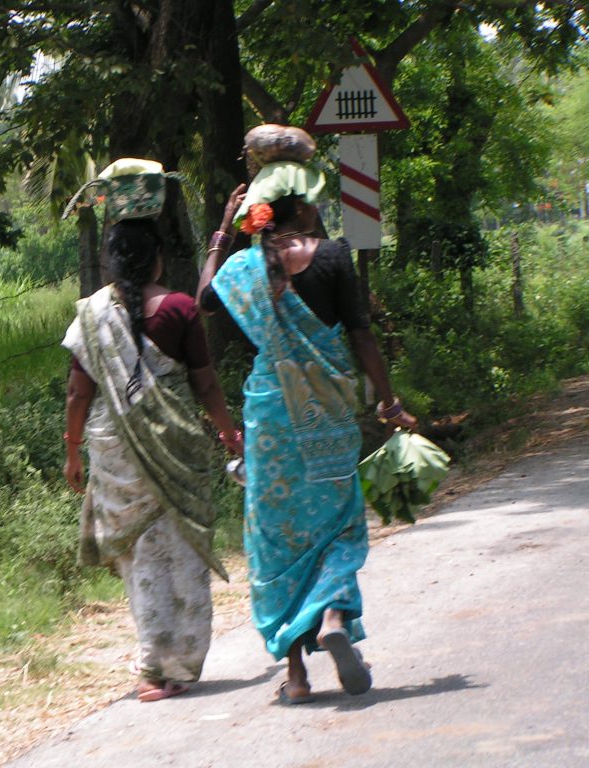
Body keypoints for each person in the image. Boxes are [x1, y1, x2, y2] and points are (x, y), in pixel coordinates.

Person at [195, 145, 417, 705]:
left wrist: (223, 231)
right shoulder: (335, 256)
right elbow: (362, 334)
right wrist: (388, 401)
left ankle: (295, 677)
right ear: (308, 207)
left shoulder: (246, 269)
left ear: (262, 212)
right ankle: (335, 617)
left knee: (275, 541)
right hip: (327, 413)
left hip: (271, 418)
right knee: (339, 526)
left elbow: (203, 299)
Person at [62, 217, 243, 703]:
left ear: (111, 261)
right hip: (176, 443)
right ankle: (180, 666)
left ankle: (151, 668)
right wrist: (228, 433)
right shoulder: (181, 308)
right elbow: (205, 384)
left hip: (114, 448)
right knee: (183, 552)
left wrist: (72, 450)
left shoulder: (92, 315)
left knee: (140, 558)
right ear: (158, 258)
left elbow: (80, 394)